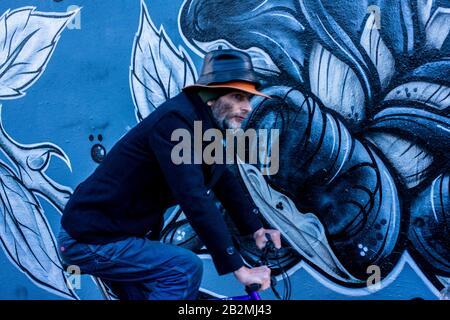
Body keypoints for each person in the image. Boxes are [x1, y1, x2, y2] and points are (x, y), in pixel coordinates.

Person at [57, 48, 282, 300]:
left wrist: (255, 229)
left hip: (115, 236)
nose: (247, 107)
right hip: (90, 239)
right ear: (211, 96)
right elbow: (193, 195)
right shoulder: (175, 122)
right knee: (183, 268)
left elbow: (223, 179)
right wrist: (239, 269)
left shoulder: (201, 125)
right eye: (238, 97)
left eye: (249, 99)